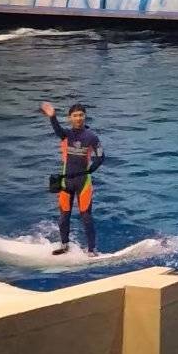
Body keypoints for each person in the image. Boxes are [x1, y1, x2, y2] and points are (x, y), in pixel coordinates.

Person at [40, 101, 104, 255]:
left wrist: (90, 170)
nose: (78, 118)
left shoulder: (92, 137)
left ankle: (91, 250)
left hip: (83, 182)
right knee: (64, 217)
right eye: (75, 115)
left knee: (86, 217)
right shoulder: (66, 135)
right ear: (70, 118)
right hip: (66, 181)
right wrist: (52, 116)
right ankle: (64, 246)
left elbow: (101, 157)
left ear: (85, 116)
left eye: (81, 115)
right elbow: (57, 130)